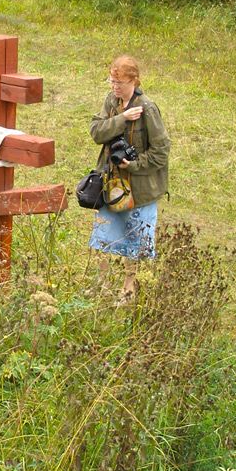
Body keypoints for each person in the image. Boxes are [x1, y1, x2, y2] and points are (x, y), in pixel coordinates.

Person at [88, 55, 170, 306]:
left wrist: (133, 165)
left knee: (134, 243)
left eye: (120, 82)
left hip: (139, 188)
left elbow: (161, 151)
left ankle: (128, 291)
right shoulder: (112, 102)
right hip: (111, 183)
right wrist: (122, 119)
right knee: (102, 235)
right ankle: (100, 286)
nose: (115, 87)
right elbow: (96, 132)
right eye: (112, 81)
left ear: (134, 80)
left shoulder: (148, 108)